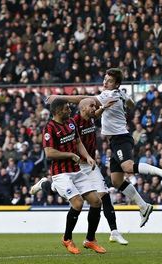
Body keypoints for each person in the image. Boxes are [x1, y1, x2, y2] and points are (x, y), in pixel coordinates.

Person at [32, 98, 149, 245]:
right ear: (83, 109)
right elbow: (61, 144)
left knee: (102, 196)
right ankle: (47, 185)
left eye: (95, 106)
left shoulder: (90, 119)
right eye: (91, 106)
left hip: (89, 164)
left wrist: (104, 108)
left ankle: (113, 232)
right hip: (75, 165)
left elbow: (95, 115)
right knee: (74, 198)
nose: (95, 108)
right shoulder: (73, 121)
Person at [42, 98, 105, 254]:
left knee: (96, 201)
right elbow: (49, 153)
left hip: (76, 170)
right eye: (66, 109)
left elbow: (78, 143)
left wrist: (88, 157)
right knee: (77, 203)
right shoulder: (49, 128)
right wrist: (70, 155)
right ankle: (67, 238)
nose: (69, 110)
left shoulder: (71, 123)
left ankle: (90, 240)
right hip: (61, 173)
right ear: (57, 111)